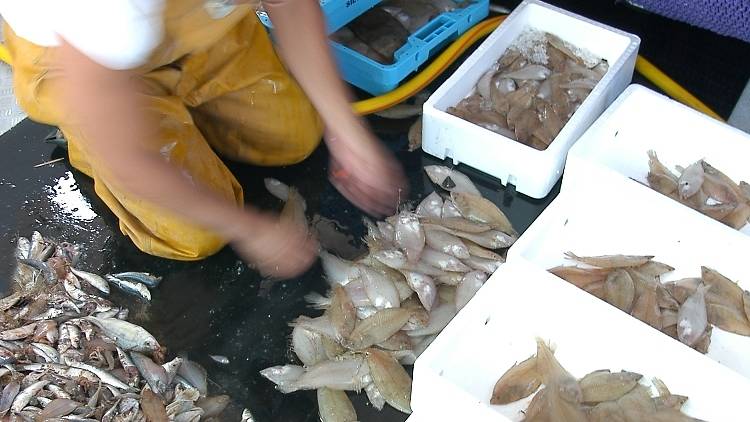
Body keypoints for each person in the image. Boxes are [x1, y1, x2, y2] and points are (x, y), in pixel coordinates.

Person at [0, 0, 407, 278]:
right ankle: (96, 126)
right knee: (198, 234)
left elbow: (291, 7)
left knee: (295, 138)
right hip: (85, 70)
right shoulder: (102, 12)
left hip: (198, 30)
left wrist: (345, 130)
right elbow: (125, 154)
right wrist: (247, 228)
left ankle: (186, 99)